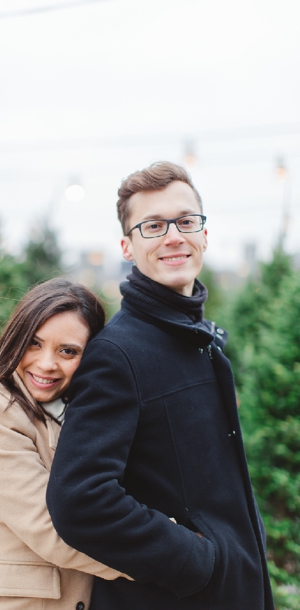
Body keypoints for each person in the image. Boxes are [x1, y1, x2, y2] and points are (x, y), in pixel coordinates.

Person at [46, 161, 273, 608]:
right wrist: (200, 563)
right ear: (127, 246)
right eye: (152, 226)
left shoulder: (201, 340)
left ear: (204, 234)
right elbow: (79, 500)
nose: (173, 236)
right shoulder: (118, 354)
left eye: (186, 221)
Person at [0, 278, 126, 610]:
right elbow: (49, 528)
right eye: (34, 344)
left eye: (67, 351)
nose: (46, 364)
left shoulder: (86, 409)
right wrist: (170, 555)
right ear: (16, 339)